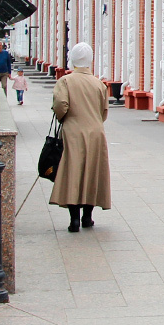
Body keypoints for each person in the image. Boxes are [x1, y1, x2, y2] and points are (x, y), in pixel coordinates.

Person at [49, 42, 111, 232]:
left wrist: (64, 117)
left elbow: (60, 105)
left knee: (73, 172)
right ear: (90, 60)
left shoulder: (65, 82)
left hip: (73, 131)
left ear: (72, 60)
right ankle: (87, 217)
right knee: (92, 172)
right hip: (95, 132)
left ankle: (74, 219)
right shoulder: (99, 84)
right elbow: (104, 111)